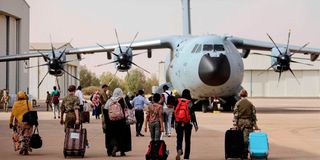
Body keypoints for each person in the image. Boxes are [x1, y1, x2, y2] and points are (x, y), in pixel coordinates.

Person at [104, 88, 132, 157]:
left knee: (112, 135)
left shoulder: (109, 100)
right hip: (121, 122)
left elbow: (105, 110)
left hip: (111, 122)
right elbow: (127, 108)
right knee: (123, 135)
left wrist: (107, 121)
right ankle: (122, 151)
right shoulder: (123, 100)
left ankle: (113, 147)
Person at [233, 89, 259, 159]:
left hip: (240, 123)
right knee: (247, 139)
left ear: (240, 95)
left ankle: (240, 153)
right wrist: (255, 124)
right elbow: (253, 115)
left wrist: (235, 123)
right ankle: (245, 154)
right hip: (248, 123)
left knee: (240, 139)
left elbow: (236, 114)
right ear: (246, 95)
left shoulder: (237, 103)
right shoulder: (250, 104)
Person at [174, 89, 198, 160]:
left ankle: (179, 149)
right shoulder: (189, 102)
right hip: (188, 123)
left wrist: (172, 122)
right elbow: (192, 114)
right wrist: (195, 125)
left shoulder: (177, 101)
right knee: (187, 140)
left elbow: (174, 112)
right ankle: (186, 157)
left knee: (179, 138)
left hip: (178, 122)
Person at [9, 91, 33, 155]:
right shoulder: (28, 103)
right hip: (28, 122)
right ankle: (26, 147)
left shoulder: (15, 104)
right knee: (27, 135)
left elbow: (12, 114)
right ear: (24, 96)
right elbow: (31, 112)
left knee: (17, 135)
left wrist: (10, 122)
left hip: (19, 123)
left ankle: (19, 146)